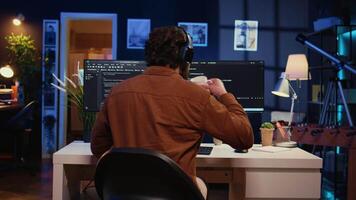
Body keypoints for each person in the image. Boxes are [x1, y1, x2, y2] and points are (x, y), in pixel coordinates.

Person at [91, 26, 254, 199]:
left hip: (125, 193)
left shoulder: (117, 92)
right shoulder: (197, 97)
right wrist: (223, 95)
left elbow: (98, 147)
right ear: (186, 56)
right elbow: (244, 137)